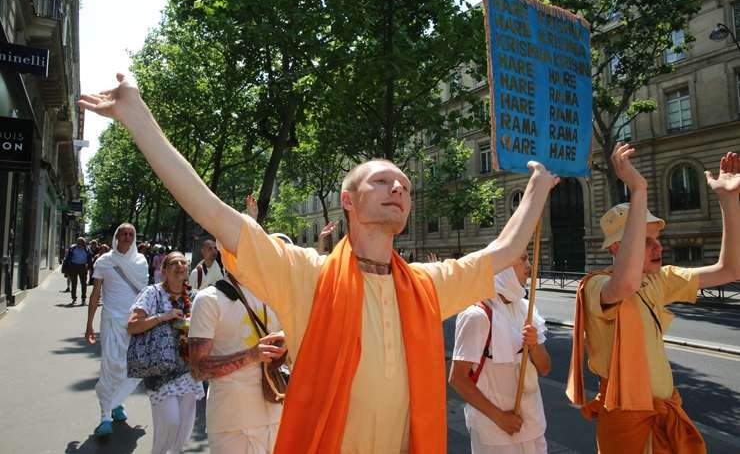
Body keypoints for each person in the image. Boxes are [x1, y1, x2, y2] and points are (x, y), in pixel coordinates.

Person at [79, 73, 558, 454]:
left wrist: (537, 186)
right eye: (383, 181)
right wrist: (136, 116)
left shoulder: (427, 285)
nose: (399, 188)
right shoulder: (305, 273)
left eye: (406, 187)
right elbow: (211, 211)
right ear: (348, 200)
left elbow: (502, 252)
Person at [566, 145, 740, 454]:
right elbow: (627, 283)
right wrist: (638, 188)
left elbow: (730, 270)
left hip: (665, 413)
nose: (658, 248)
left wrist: (728, 200)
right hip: (627, 421)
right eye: (646, 242)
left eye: (657, 240)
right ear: (617, 248)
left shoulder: (661, 279)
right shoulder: (597, 285)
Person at [450, 253, 551, 454]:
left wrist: (535, 346)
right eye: (523, 259)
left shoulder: (525, 309)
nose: (529, 266)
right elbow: (458, 379)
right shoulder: (476, 316)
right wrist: (500, 418)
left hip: (533, 425)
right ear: (502, 267)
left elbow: (545, 368)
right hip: (495, 434)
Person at [189, 269, 286, 454]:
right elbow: (197, 369)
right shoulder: (209, 299)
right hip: (231, 422)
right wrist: (250, 356)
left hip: (276, 414)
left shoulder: (274, 295)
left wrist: (287, 343)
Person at [128, 251, 204, 454]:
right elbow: (132, 326)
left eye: (183, 262)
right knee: (170, 421)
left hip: (188, 370)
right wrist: (164, 316)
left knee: (185, 426)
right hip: (160, 370)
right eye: (173, 263)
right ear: (163, 271)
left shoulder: (196, 297)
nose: (180, 265)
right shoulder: (152, 293)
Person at [85, 223, 148, 437]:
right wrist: (89, 324)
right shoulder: (104, 261)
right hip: (111, 320)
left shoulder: (141, 262)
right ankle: (105, 416)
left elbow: (145, 296)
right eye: (124, 234)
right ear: (117, 237)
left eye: (131, 234)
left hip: (134, 322)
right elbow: (95, 295)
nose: (128, 237)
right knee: (110, 366)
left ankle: (117, 402)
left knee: (131, 366)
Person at [64, 237, 92, 305]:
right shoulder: (73, 248)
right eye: (78, 242)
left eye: (81, 242)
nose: (79, 243)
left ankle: (83, 298)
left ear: (83, 243)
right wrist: (67, 267)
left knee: (83, 283)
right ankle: (74, 298)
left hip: (83, 267)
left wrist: (89, 267)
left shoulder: (87, 249)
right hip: (73, 266)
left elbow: (90, 258)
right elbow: (68, 258)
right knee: (74, 283)